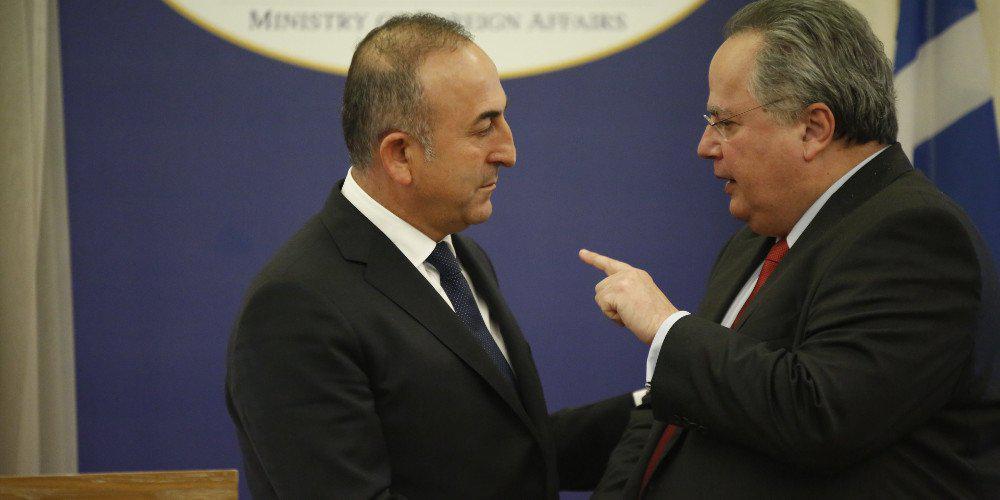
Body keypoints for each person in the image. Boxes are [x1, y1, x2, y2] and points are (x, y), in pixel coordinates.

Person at [581, 0, 1000, 497]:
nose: (705, 145)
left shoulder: (915, 235)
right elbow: (679, 416)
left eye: (724, 122)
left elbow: (820, 416)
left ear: (813, 128)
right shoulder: (755, 241)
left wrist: (664, 327)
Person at [225, 13, 633, 499]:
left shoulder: (459, 257)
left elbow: (506, 453)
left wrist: (671, 389)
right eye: (484, 127)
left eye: (503, 118)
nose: (509, 151)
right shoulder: (297, 307)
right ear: (400, 154)